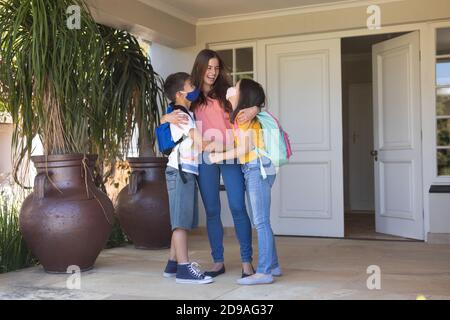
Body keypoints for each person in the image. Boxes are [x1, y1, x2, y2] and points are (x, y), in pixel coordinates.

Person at [161, 50, 259, 278]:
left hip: (230, 154)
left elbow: (254, 102)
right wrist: (164, 118)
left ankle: (246, 262)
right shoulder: (191, 96)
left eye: (216, 68)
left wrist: (255, 108)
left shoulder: (228, 92)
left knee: (237, 206)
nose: (213, 73)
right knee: (213, 210)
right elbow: (173, 113)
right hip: (204, 158)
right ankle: (218, 261)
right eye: (209, 68)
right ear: (200, 68)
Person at [208, 79, 282, 285]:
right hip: (256, 169)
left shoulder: (244, 117)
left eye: (236, 87)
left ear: (242, 96)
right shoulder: (242, 117)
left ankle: (264, 271)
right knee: (262, 220)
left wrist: (217, 157)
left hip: (255, 169)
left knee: (260, 221)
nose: (231, 89)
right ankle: (274, 265)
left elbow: (244, 149)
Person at [161, 72, 213, 284]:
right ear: (180, 93)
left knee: (181, 220)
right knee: (180, 223)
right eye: (191, 85)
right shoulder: (180, 115)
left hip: (186, 171)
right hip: (180, 172)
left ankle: (172, 264)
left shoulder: (183, 113)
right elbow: (201, 143)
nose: (194, 88)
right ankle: (184, 269)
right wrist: (234, 145)